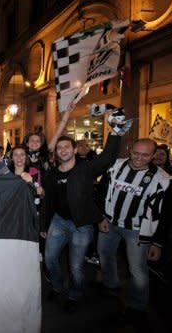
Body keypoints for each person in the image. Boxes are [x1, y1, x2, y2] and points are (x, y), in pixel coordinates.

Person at [40, 130, 120, 313]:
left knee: (76, 266)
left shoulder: (86, 169)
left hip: (81, 226)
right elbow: (48, 202)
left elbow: (108, 157)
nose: (63, 150)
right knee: (50, 259)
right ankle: (57, 287)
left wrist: (115, 132)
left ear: (75, 150)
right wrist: (44, 225)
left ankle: (75, 294)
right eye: (59, 148)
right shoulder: (52, 174)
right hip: (58, 222)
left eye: (67, 147)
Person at [98, 138, 171, 323]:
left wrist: (157, 242)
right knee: (105, 255)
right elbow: (102, 191)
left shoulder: (162, 179)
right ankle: (111, 284)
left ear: (154, 155)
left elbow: (165, 214)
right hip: (110, 224)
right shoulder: (115, 166)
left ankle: (138, 307)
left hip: (138, 231)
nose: (139, 158)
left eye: (145, 155)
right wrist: (101, 216)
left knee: (137, 270)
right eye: (135, 153)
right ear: (130, 150)